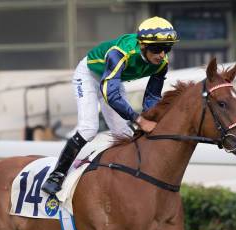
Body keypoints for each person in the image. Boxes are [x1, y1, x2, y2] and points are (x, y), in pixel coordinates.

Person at [42, 16, 179, 195]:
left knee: (125, 135)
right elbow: (110, 93)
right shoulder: (121, 53)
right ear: (143, 45)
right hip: (90, 77)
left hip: (112, 80)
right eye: (157, 49)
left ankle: (125, 177)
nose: (161, 55)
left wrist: (150, 117)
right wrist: (139, 119)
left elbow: (152, 96)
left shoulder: (162, 64)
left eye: (166, 49)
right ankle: (57, 175)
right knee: (88, 129)